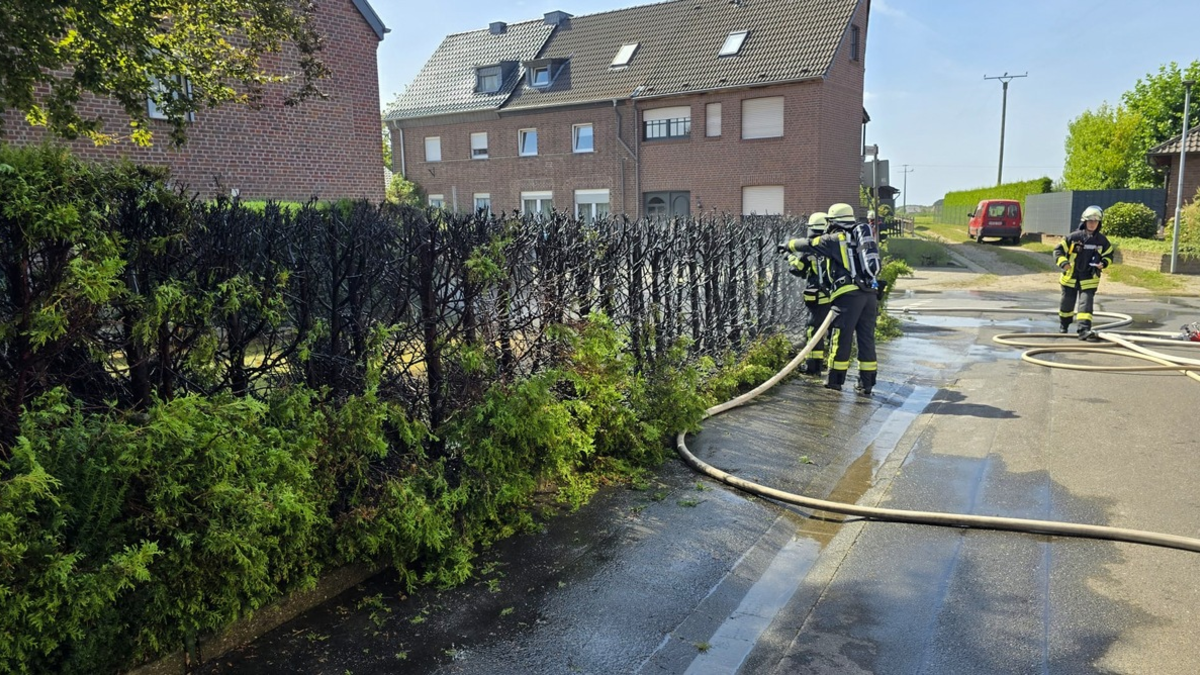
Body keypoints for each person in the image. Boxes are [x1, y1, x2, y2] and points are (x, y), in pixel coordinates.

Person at [781, 203, 881, 396]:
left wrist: (788, 245)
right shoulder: (857, 238)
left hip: (849, 296)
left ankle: (835, 381)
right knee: (866, 338)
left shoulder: (836, 239)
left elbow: (810, 244)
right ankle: (866, 384)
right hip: (869, 294)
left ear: (833, 222)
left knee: (841, 336)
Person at [1054, 205, 1114, 339]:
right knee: (1067, 304)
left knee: (1085, 305)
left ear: (1099, 223)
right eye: (1090, 221)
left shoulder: (1102, 241)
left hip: (1089, 278)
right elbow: (1058, 251)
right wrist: (1064, 263)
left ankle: (1083, 330)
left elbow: (1109, 255)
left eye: (1095, 221)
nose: (1092, 224)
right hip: (1071, 277)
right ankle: (1064, 326)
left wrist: (1103, 263)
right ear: (1084, 222)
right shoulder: (1073, 237)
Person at [786, 212, 832, 376]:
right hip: (835, 297)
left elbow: (797, 269)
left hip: (818, 298)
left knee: (814, 330)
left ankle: (813, 367)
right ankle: (831, 365)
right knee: (833, 332)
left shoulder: (809, 249)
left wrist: (789, 257)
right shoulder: (831, 245)